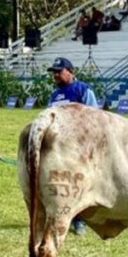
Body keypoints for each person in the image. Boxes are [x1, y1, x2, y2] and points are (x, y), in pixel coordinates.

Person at [47, 57, 98, 235]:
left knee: (79, 184)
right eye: (54, 72)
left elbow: (95, 116)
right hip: (59, 148)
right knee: (63, 184)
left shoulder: (82, 89)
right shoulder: (54, 96)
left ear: (70, 71)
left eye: (59, 72)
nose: (55, 75)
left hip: (80, 147)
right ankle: (65, 217)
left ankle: (80, 220)